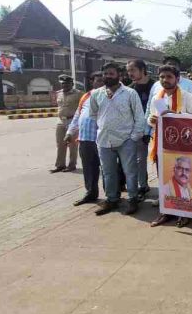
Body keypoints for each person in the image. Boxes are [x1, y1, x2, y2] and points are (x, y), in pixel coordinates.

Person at [89, 63, 146, 216]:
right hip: (104, 140)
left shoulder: (129, 93)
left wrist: (133, 137)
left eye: (111, 73)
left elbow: (140, 117)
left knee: (130, 172)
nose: (108, 76)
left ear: (119, 76)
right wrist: (105, 126)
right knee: (108, 172)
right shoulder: (96, 94)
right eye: (105, 73)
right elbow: (94, 114)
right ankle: (112, 199)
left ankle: (133, 199)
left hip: (126, 139)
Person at [147, 65, 192, 227]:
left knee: (182, 179)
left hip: (182, 145)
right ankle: (166, 212)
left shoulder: (187, 96)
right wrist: (152, 121)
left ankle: (184, 213)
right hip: (162, 143)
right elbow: (150, 117)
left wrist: (175, 116)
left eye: (169, 77)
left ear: (177, 79)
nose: (165, 80)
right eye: (162, 77)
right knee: (163, 179)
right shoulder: (157, 97)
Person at [64, 72, 104, 205]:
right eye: (97, 81)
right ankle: (91, 193)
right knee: (88, 168)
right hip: (85, 139)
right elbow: (77, 115)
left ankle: (112, 196)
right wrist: (70, 132)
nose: (99, 83)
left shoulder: (109, 96)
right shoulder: (86, 96)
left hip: (102, 140)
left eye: (102, 81)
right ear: (93, 82)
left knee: (106, 169)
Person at [127, 59, 155, 201]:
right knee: (139, 159)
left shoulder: (156, 85)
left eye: (133, 70)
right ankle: (142, 185)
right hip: (138, 128)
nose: (130, 73)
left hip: (156, 126)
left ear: (142, 69)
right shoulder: (130, 89)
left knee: (158, 158)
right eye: (128, 71)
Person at [51, 74, 83, 173]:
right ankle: (60, 165)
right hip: (61, 121)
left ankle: (72, 165)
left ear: (72, 84)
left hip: (72, 121)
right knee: (60, 143)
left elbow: (83, 107)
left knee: (72, 144)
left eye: (67, 84)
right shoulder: (59, 93)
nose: (64, 86)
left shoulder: (79, 94)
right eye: (63, 84)